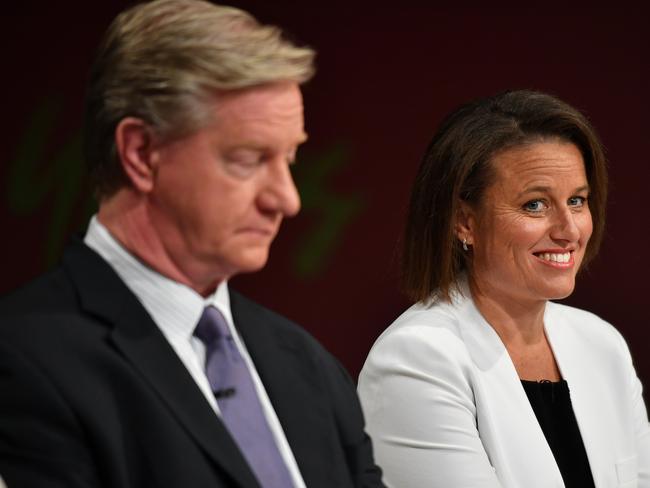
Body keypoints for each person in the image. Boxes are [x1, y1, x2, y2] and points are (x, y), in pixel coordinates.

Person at [0, 1, 384, 487]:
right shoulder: (24, 362)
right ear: (142, 153)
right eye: (248, 159)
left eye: (289, 158)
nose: (286, 200)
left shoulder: (309, 364)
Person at [358, 90, 650, 487]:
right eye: (535, 205)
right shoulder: (417, 358)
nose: (569, 230)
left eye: (577, 200)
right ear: (464, 221)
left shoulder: (602, 344)